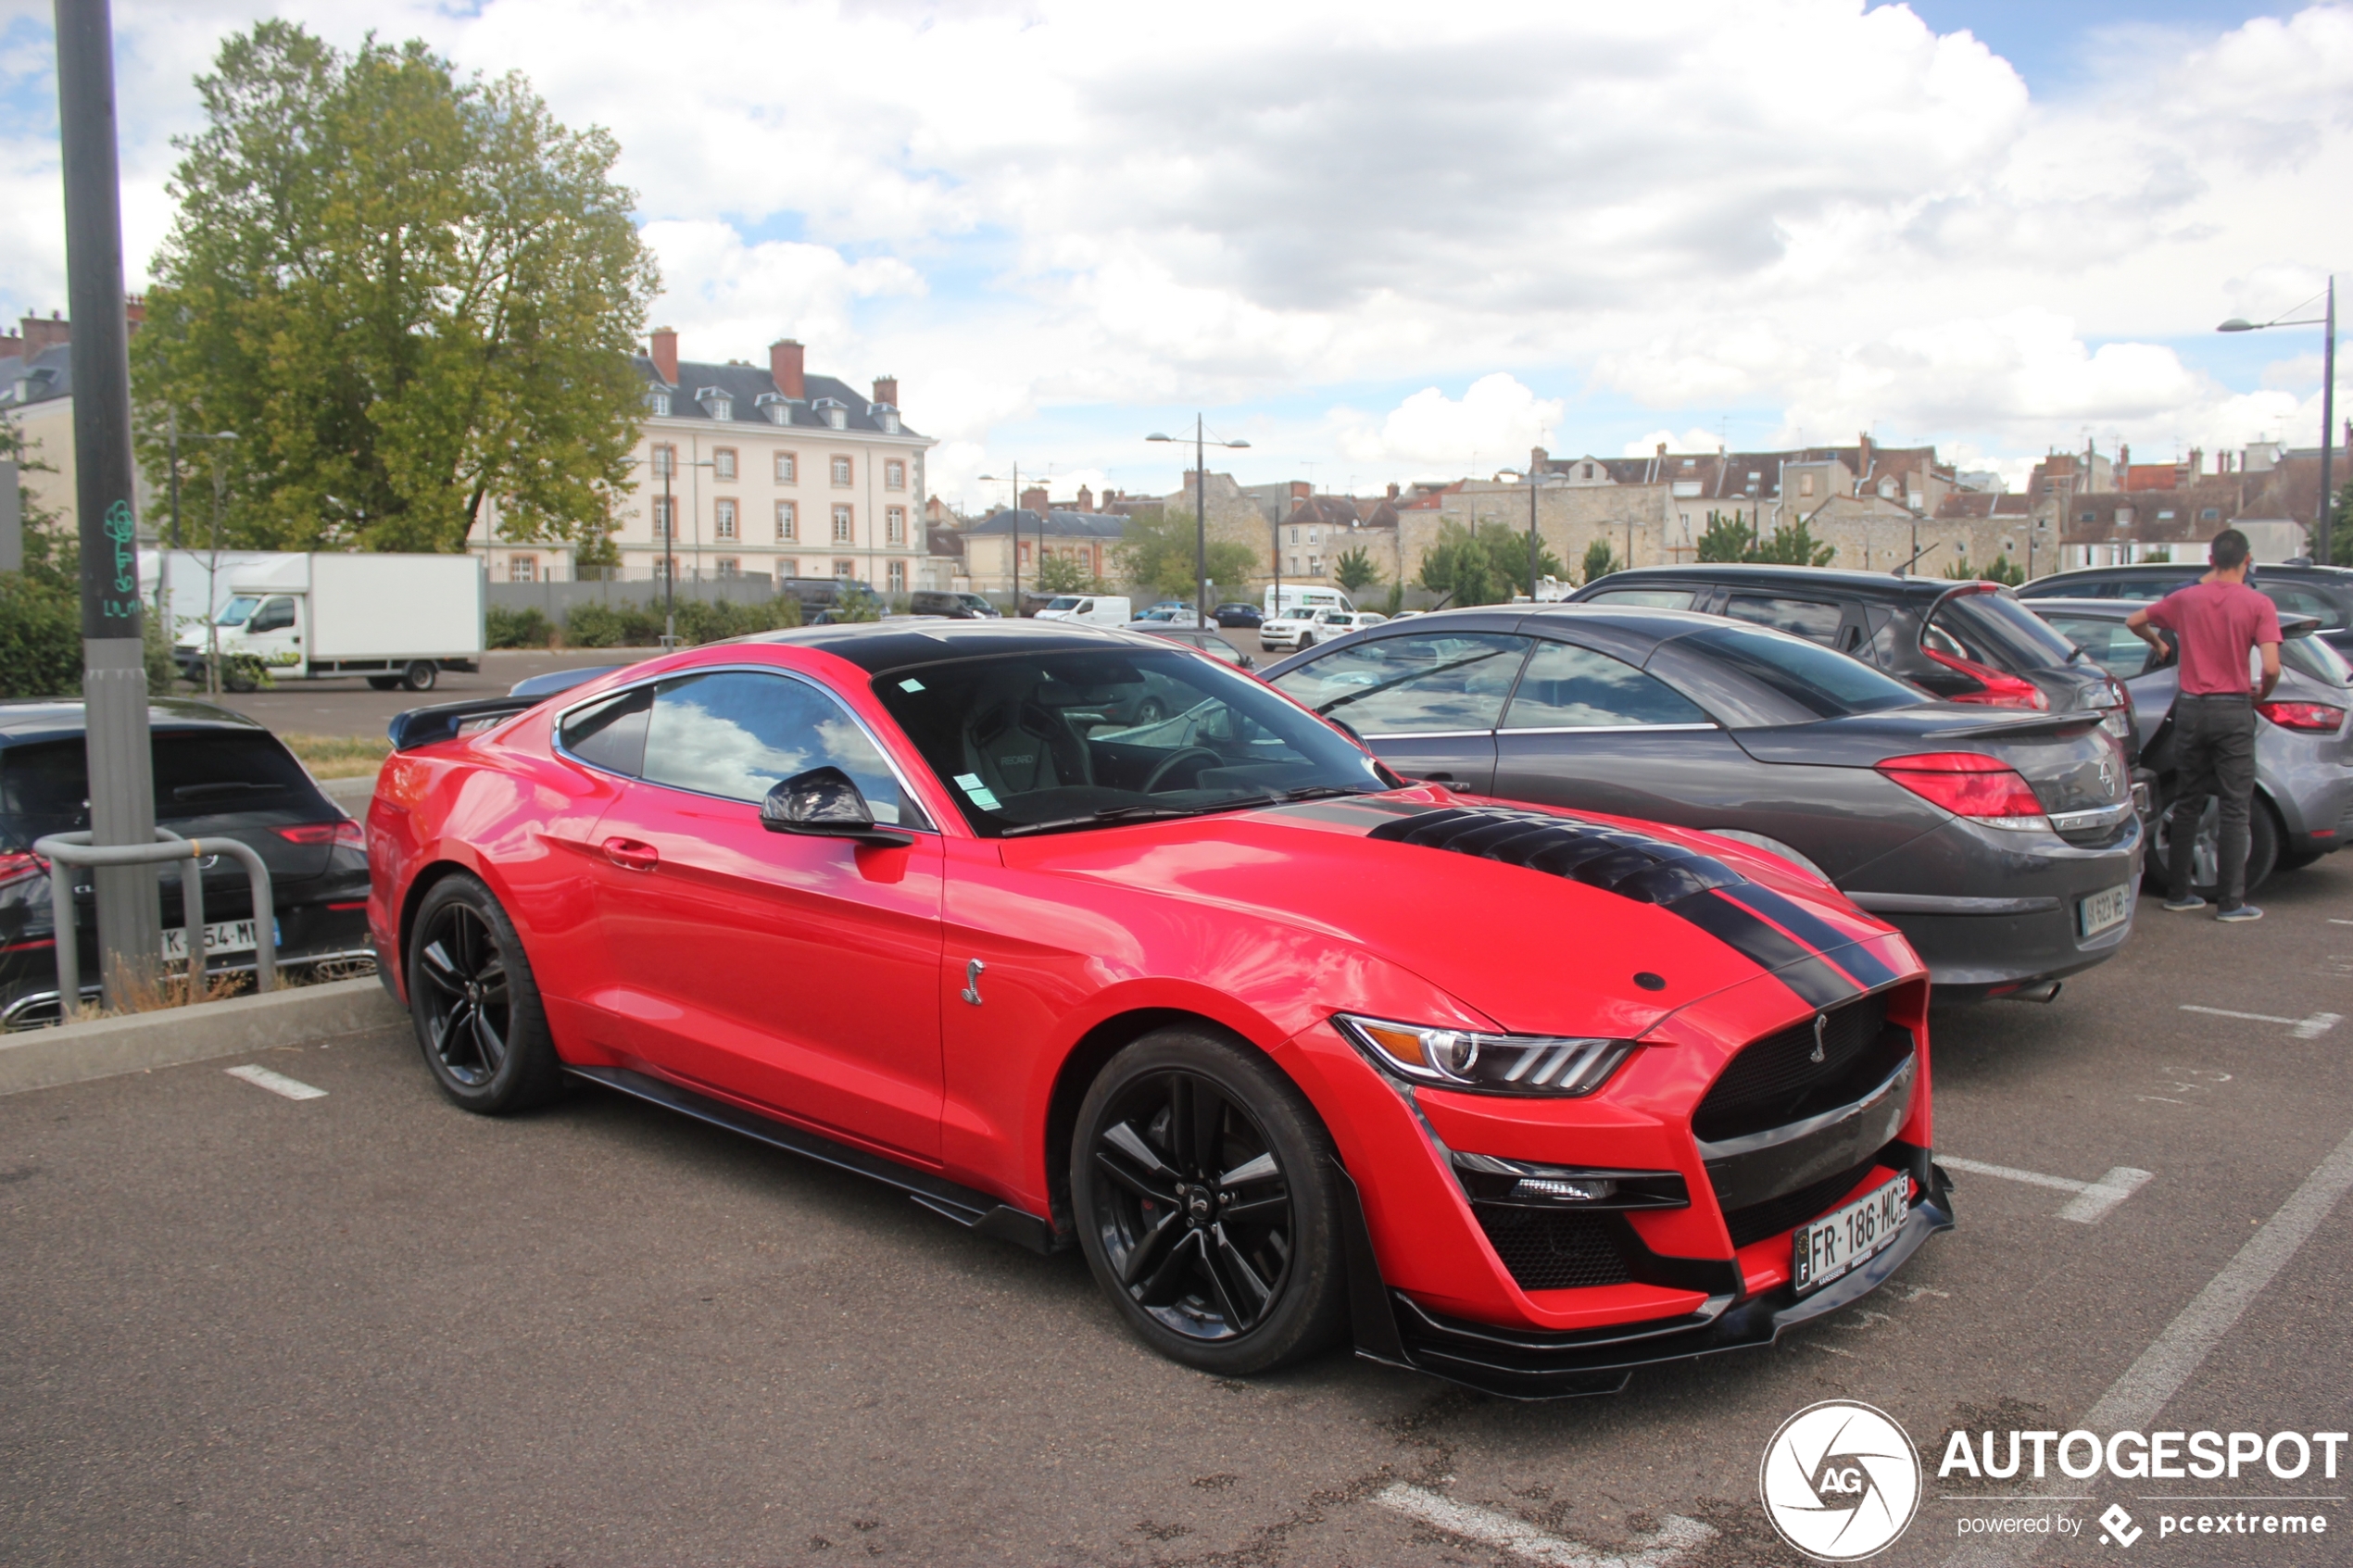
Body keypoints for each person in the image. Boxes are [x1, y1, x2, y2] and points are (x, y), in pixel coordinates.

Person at [2126, 529, 2282, 922]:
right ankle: (2231, 902)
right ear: (2247, 561)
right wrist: (2261, 693)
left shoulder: (2185, 600)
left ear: (2211, 561)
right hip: (2233, 708)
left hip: (2192, 709)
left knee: (2188, 800)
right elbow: (2273, 666)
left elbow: (2135, 620)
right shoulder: (2259, 603)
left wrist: (2159, 645)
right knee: (2234, 805)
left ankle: (2179, 892)